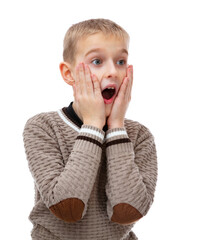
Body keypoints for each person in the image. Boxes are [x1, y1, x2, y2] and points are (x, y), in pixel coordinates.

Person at [22, 18, 158, 240]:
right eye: (97, 61)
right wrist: (93, 124)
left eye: (121, 61)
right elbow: (67, 208)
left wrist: (115, 127)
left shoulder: (140, 136)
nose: (113, 71)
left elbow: (128, 211)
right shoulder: (42, 127)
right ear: (69, 74)